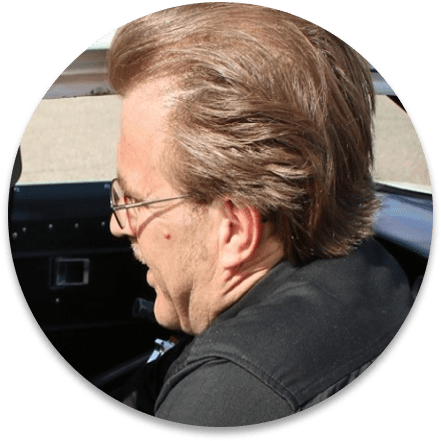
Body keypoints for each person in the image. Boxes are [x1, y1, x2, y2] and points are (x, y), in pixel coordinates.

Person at [107, 3, 412, 426]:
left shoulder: (226, 402)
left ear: (234, 229)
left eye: (135, 201)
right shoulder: (378, 269)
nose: (118, 224)